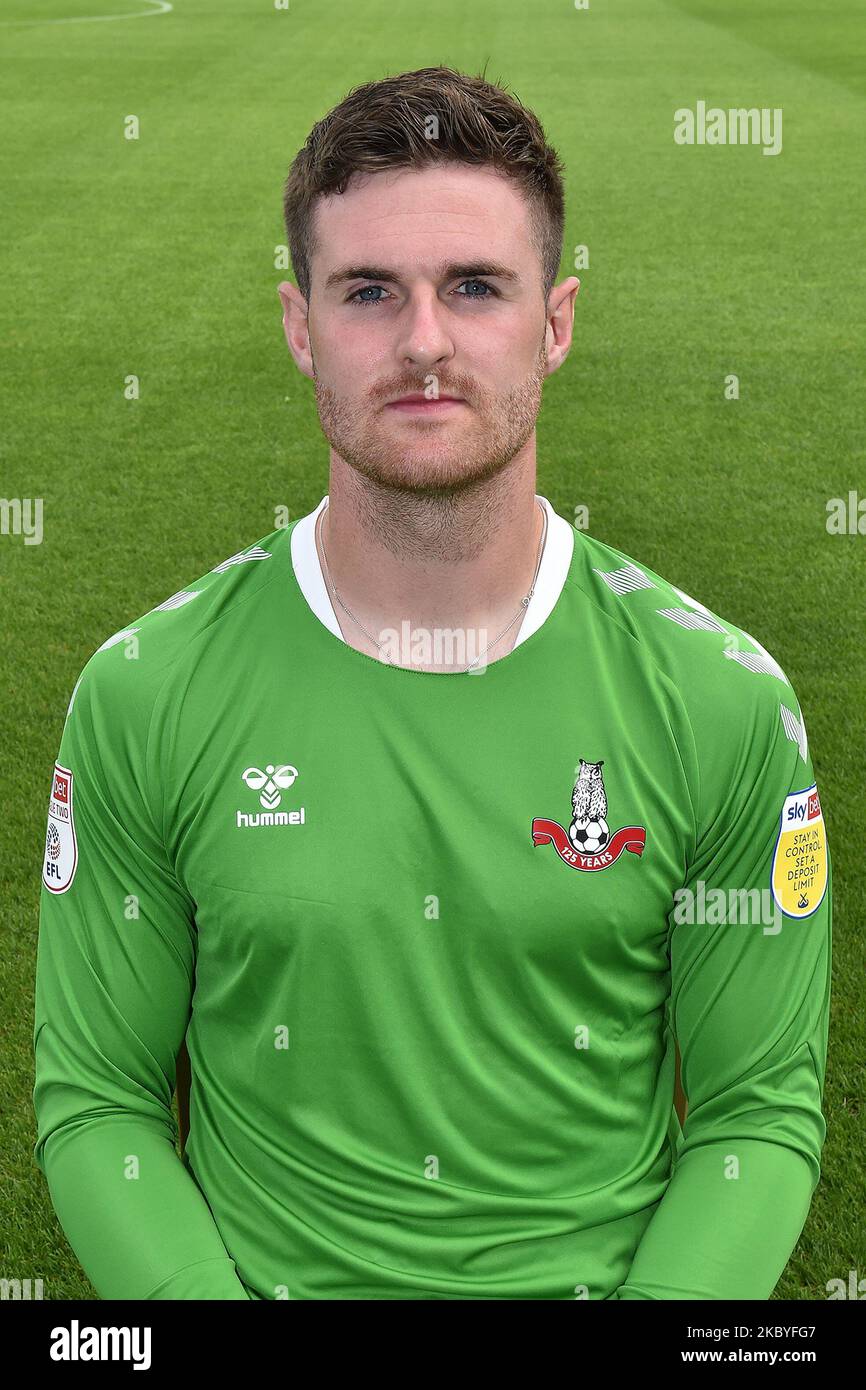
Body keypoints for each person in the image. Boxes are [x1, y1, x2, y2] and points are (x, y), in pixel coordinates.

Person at [34, 65, 831, 1300]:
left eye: (473, 286)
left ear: (554, 321)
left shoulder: (720, 700)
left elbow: (752, 1115)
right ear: (301, 325)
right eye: (367, 292)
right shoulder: (144, 693)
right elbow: (98, 1101)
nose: (422, 342)